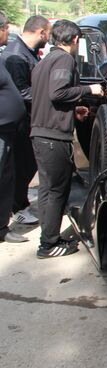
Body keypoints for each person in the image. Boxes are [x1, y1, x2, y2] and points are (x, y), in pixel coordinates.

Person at [30, 19, 103, 258]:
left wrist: (73, 111)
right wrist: (88, 90)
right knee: (57, 192)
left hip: (41, 133)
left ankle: (48, 238)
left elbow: (49, 99)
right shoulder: (64, 59)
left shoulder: (44, 62)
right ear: (74, 40)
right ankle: (49, 245)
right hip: (53, 138)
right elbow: (58, 92)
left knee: (47, 190)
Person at [0, 15, 51, 226]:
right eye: (48, 33)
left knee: (23, 166)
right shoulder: (16, 55)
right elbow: (21, 90)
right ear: (41, 32)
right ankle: (16, 207)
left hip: (25, 120)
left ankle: (18, 202)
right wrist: (48, 96)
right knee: (18, 167)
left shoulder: (24, 52)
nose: (49, 37)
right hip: (17, 126)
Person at [0, 11, 29, 243]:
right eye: (6, 28)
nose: (8, 32)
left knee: (6, 179)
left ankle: (2, 227)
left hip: (7, 132)